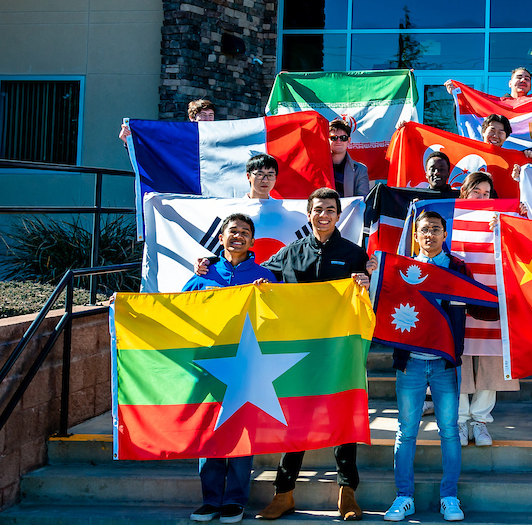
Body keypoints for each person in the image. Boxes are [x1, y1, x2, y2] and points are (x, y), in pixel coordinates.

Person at [246, 188, 374, 521]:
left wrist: (368, 280)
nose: (324, 215)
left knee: (343, 418)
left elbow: (375, 295)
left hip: (339, 352)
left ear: (338, 214)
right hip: (297, 353)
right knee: (295, 420)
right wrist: (220, 270)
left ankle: (347, 495)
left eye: (330, 209)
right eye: (318, 209)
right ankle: (283, 494)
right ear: (308, 213)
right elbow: (258, 277)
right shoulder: (290, 254)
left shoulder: (354, 254)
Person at [384, 210, 496, 522]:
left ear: (445, 235)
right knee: (406, 432)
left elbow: (476, 304)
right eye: (424, 230)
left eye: (436, 229)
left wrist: (505, 305)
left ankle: (449, 496)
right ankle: (403, 496)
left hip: (446, 364)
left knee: (449, 431)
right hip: (410, 364)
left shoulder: (458, 267)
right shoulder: (404, 268)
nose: (430, 234)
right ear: (416, 236)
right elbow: (384, 304)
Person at [183, 213, 277, 525]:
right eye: (232, 231)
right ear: (221, 238)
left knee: (241, 433)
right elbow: (174, 313)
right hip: (208, 366)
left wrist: (268, 299)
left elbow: (279, 323)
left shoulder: (266, 278)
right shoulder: (201, 276)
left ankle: (234, 501)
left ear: (252, 241)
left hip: (248, 367)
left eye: (244, 232)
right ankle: (210, 501)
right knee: (210, 432)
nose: (238, 236)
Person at [455, 172, 520, 447]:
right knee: (458, 358)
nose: (481, 198)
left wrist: (513, 222)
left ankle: (480, 419)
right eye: (476, 192)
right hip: (459, 296)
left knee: (491, 357)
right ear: (464, 192)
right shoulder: (451, 216)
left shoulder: (500, 220)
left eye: (486, 193)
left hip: (493, 295)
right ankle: (458, 420)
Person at [119, 98, 215, 144]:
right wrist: (129, 142)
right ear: (191, 118)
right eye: (203, 115)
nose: (208, 119)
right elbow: (156, 152)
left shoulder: (221, 136)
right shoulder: (179, 136)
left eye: (211, 115)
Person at [329, 119, 370, 197]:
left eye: (343, 137)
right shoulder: (317, 168)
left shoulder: (360, 170)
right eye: (334, 138)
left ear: (349, 140)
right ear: (327, 140)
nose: (338, 141)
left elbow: (362, 200)